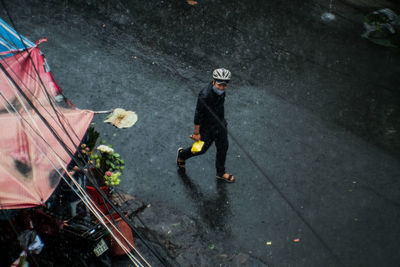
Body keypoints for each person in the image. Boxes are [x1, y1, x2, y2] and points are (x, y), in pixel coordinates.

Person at [177, 68, 235, 183]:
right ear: (213, 82)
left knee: (223, 148)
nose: (222, 88)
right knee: (200, 150)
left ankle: (220, 172)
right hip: (207, 129)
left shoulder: (221, 92)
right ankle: (182, 155)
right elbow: (198, 114)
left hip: (220, 125)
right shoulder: (205, 95)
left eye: (224, 85)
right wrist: (196, 133)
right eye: (220, 85)